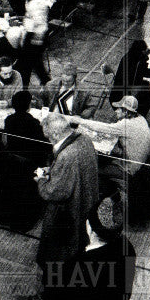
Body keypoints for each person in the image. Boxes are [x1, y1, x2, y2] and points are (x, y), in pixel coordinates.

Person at [34, 113, 100, 280]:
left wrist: (41, 180)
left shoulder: (66, 155)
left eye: (48, 137)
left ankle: (48, 293)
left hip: (68, 213)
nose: (49, 141)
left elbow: (54, 192)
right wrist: (54, 171)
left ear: (55, 134)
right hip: (87, 202)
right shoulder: (84, 139)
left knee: (56, 253)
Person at [67, 95, 150, 180]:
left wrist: (80, 121)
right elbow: (114, 128)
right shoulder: (140, 119)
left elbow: (103, 128)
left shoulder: (127, 125)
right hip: (135, 163)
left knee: (88, 168)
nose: (116, 111)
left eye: (118, 109)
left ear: (125, 111)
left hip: (128, 170)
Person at [109, 38, 150, 117]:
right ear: (141, 51)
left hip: (117, 91)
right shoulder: (138, 62)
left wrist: (145, 55)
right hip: (123, 96)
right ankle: (138, 116)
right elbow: (147, 73)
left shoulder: (129, 56)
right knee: (149, 97)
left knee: (145, 86)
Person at [3, 89, 50, 167]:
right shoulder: (34, 122)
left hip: (13, 156)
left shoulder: (8, 119)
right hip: (30, 159)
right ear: (29, 106)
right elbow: (43, 144)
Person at [22, 0, 51, 85]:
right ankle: (45, 81)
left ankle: (25, 85)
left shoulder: (35, 3)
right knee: (36, 63)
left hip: (34, 34)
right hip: (41, 34)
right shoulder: (42, 1)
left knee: (28, 63)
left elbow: (36, 20)